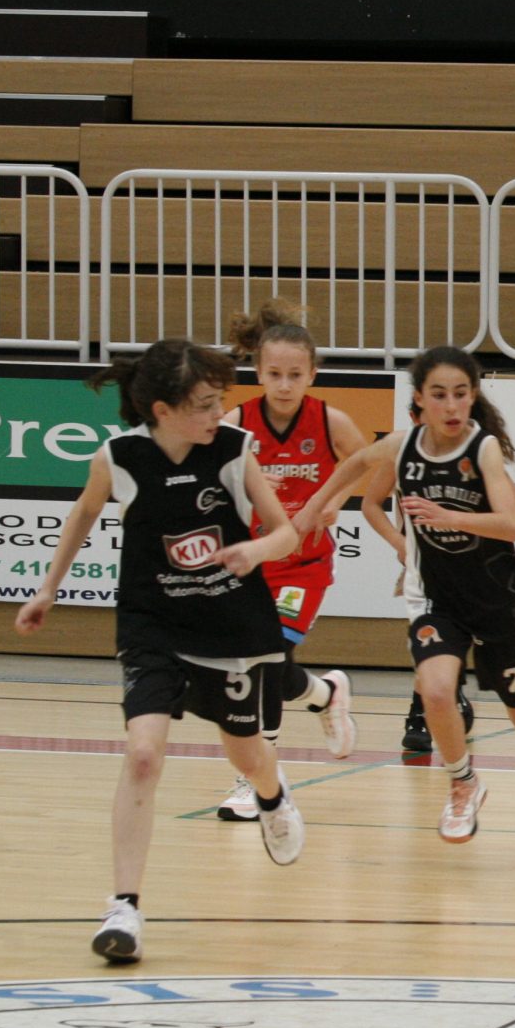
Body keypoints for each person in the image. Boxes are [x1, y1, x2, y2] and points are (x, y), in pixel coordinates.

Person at [15, 339, 304, 964]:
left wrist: (255, 551)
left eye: (219, 402)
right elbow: (83, 514)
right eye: (203, 405)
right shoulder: (118, 459)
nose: (217, 415)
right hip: (153, 624)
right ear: (161, 409)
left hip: (228, 624)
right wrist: (48, 589)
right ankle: (124, 907)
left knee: (249, 754)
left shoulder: (233, 450)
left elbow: (285, 531)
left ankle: (273, 795)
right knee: (143, 756)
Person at [295, 346, 515, 855]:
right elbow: (354, 467)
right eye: (439, 395)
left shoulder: (484, 450)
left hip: (498, 599)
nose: (451, 406)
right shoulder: (402, 446)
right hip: (437, 597)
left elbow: (511, 522)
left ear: (472, 397)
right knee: (434, 690)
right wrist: (315, 507)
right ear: (420, 400)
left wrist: (451, 518)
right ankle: (462, 783)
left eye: (460, 394)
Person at [212, 299, 378, 821]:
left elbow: (372, 468)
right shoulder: (237, 422)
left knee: (267, 662)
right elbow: (213, 486)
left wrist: (332, 502)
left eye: (295, 375)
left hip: (303, 565)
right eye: (274, 374)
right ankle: (326, 693)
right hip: (257, 562)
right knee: (265, 666)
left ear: (313, 373)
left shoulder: (330, 420)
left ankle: (258, 780)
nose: (284, 385)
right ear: (257, 372)